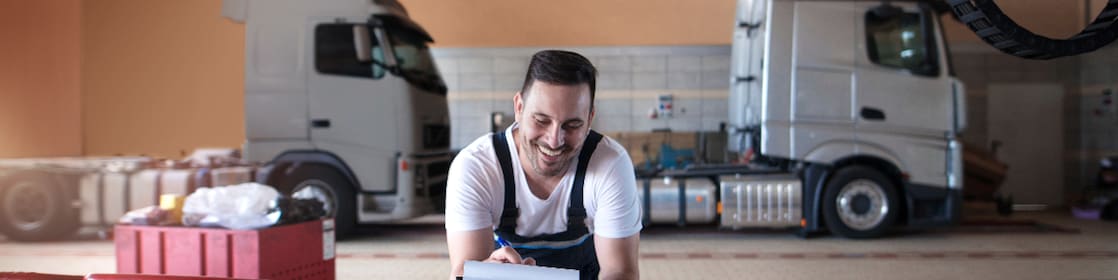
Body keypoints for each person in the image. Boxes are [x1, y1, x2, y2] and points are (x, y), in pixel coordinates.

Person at [445, 50, 641, 280]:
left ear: (590, 118)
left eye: (572, 125)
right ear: (519, 107)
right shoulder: (477, 167)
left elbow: (620, 271)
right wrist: (488, 272)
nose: (554, 140)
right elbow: (463, 272)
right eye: (541, 120)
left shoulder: (610, 165)